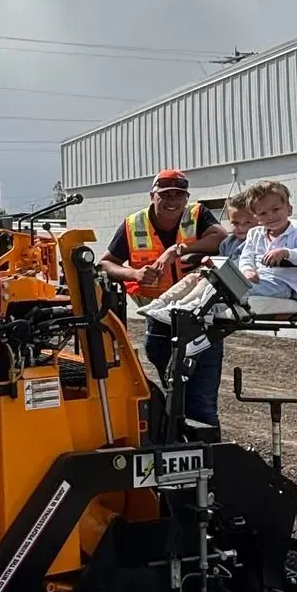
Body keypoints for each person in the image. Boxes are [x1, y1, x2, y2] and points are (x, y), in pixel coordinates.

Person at [99, 169, 235, 432]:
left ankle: (208, 452)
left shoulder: (196, 215)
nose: (172, 201)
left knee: (202, 400)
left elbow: (220, 237)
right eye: (165, 195)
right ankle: (179, 444)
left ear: (187, 197)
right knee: (174, 397)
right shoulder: (133, 224)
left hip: (200, 320)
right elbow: (106, 263)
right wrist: (135, 273)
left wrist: (180, 249)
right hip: (160, 321)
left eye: (179, 195)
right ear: (153, 196)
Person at [238, 179, 297, 298]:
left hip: (283, 285)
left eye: (276, 209)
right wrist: (247, 270)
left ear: (289, 210)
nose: (270, 216)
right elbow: (246, 257)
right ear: (256, 218)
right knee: (215, 286)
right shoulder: (254, 234)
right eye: (263, 213)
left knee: (239, 290)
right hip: (259, 281)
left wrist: (286, 253)